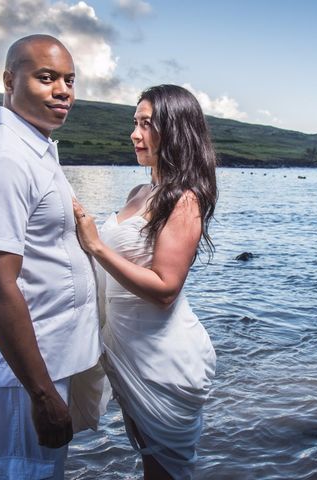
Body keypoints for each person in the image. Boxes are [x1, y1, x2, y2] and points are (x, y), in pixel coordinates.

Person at [0, 34, 104, 479]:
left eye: (70, 80)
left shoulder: (32, 151)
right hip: (26, 373)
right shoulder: (2, 159)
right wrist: (40, 395)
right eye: (46, 77)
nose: (63, 91)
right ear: (9, 80)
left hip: (49, 361)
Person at [72, 84, 217, 479]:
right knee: (149, 462)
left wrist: (97, 247)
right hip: (126, 348)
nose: (135, 134)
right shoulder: (140, 190)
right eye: (134, 123)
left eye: (147, 124)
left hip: (162, 357)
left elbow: (166, 289)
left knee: (166, 471)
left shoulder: (184, 200)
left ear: (175, 131)